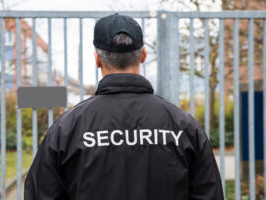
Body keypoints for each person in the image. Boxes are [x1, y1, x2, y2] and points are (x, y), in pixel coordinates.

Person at [24, 13, 224, 200]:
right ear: (143, 55)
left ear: (97, 59)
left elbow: (40, 193)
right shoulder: (183, 126)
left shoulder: (67, 129)